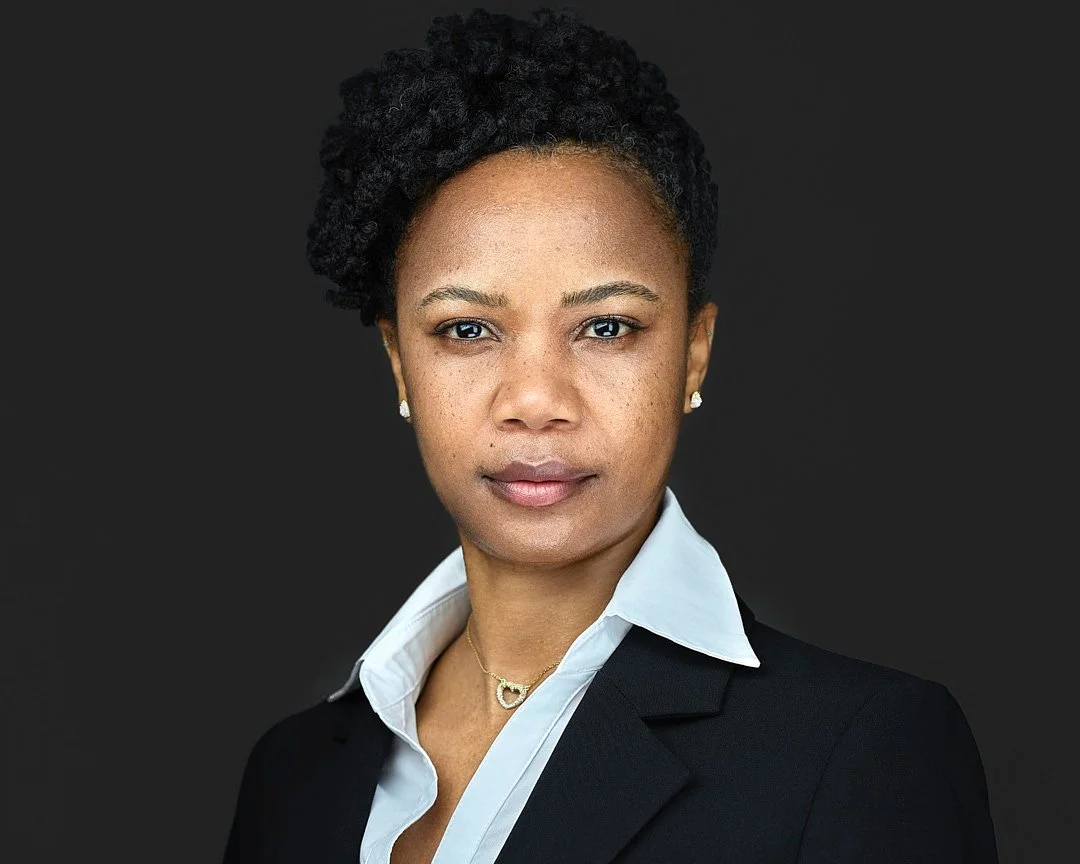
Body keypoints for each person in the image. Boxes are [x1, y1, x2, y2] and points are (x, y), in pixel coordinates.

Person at [222, 7, 998, 863]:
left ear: (694, 355)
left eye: (607, 327)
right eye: (468, 330)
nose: (536, 400)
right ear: (401, 365)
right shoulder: (295, 776)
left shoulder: (857, 752)